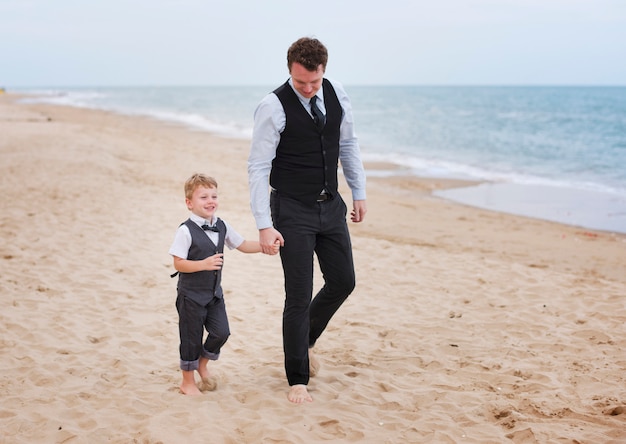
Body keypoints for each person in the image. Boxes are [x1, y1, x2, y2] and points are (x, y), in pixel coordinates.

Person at [248, 37, 367, 403]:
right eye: (301, 82)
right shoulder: (272, 106)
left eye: (314, 81)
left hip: (331, 205)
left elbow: (347, 144)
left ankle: (307, 339)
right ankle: (297, 378)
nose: (308, 88)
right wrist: (264, 224)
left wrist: (358, 192)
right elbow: (258, 166)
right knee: (297, 297)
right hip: (291, 210)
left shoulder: (336, 93)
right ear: (290, 71)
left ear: (323, 71)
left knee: (344, 281)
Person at [169, 173, 278, 396]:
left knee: (222, 332)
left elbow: (243, 244)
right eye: (203, 197)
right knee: (190, 338)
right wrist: (202, 264)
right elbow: (178, 264)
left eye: (214, 196)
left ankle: (202, 363)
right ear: (189, 203)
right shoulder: (185, 231)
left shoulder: (222, 225)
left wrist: (266, 246)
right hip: (190, 295)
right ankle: (187, 382)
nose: (210, 201)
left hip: (214, 294)